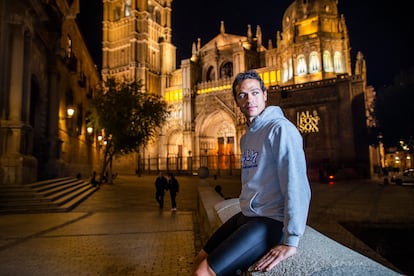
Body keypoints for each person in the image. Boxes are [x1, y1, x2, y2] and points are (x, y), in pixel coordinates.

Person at [192, 70, 311, 275]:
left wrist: (291, 241)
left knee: (203, 272)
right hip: (248, 215)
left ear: (265, 94)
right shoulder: (246, 137)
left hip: (270, 221)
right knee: (200, 257)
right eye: (242, 95)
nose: (249, 100)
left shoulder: (280, 129)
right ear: (236, 102)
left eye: (255, 93)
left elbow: (297, 184)